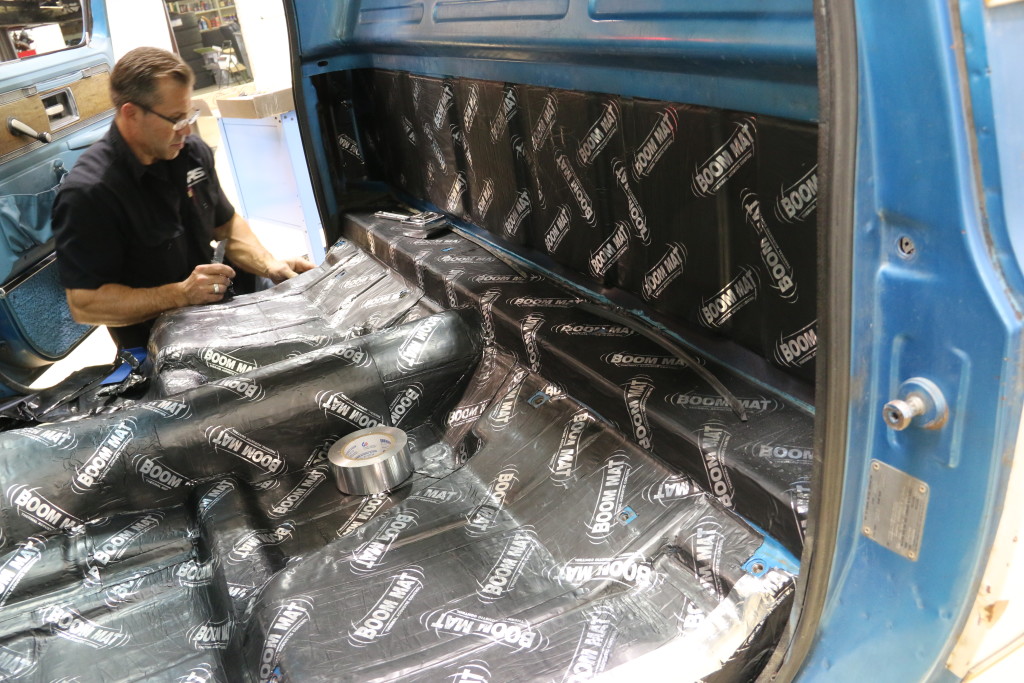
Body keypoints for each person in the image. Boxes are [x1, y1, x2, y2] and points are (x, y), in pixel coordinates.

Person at [52, 47, 313, 349]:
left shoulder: (191, 153)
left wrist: (269, 265)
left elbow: (226, 226)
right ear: (131, 113)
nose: (187, 129)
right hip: (167, 343)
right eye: (176, 119)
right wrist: (181, 294)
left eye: (189, 114)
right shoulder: (90, 194)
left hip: (225, 308)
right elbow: (85, 304)